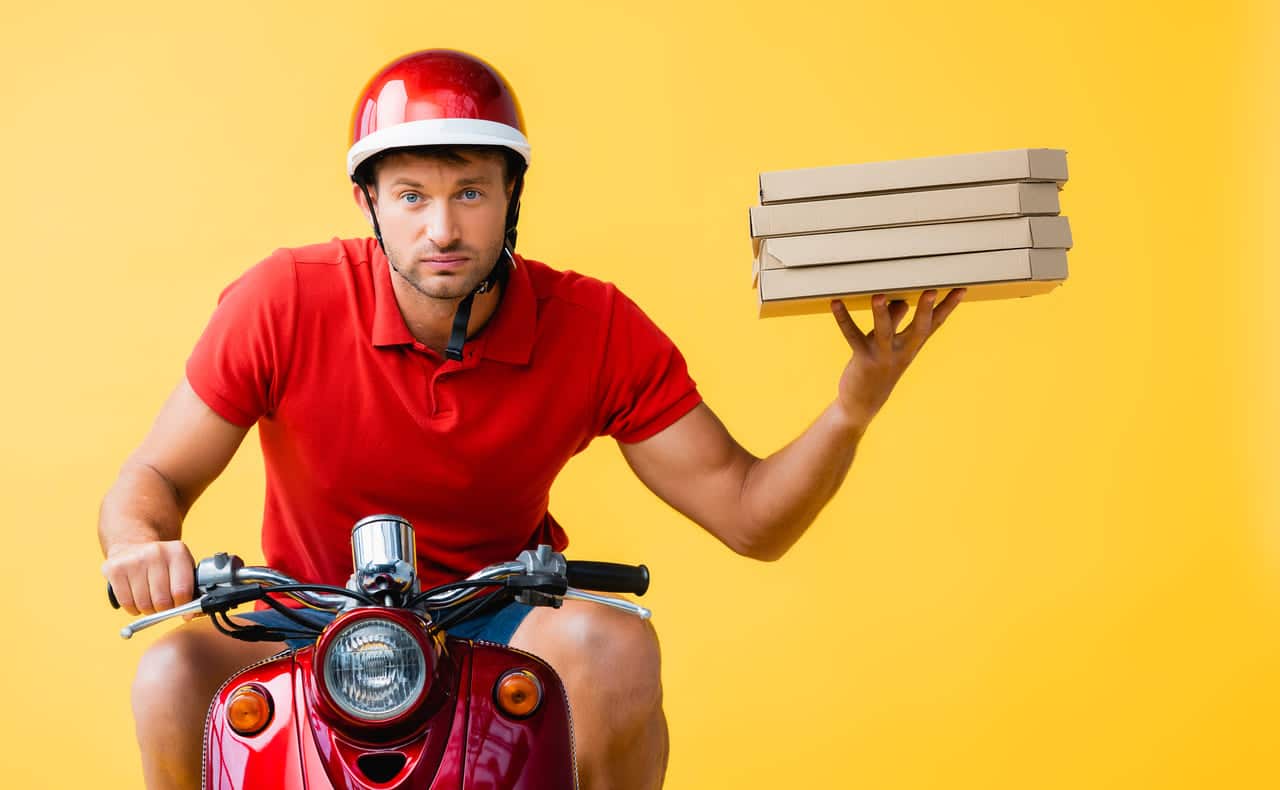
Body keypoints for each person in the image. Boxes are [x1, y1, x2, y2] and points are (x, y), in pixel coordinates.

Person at [98, 48, 965, 790]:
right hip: (308, 615)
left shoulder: (592, 325)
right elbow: (154, 477)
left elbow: (751, 517)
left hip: (496, 617)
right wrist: (141, 544)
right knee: (170, 673)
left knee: (617, 647)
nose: (443, 229)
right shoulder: (283, 301)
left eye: (472, 192)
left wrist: (854, 406)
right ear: (368, 204)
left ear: (513, 195)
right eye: (411, 196)